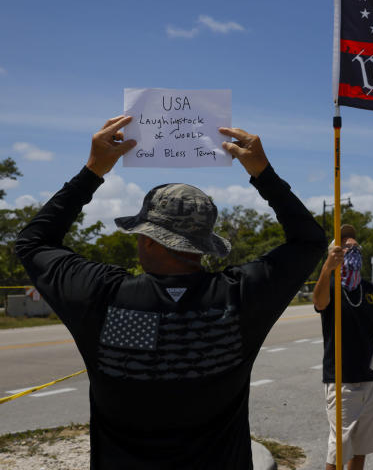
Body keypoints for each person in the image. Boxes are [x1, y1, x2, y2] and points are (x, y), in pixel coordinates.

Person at [15, 115, 326, 469]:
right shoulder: (241, 297)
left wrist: (93, 170)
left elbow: (32, 241)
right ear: (202, 243)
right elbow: (309, 240)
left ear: (147, 239)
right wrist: (262, 171)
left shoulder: (101, 295)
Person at [313, 224, 373, 470]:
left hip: (370, 377)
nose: (354, 251)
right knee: (339, 449)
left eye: (356, 247)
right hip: (341, 379)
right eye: (347, 247)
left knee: (362, 447)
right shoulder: (330, 286)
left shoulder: (370, 291)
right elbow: (319, 302)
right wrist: (326, 268)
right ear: (336, 254)